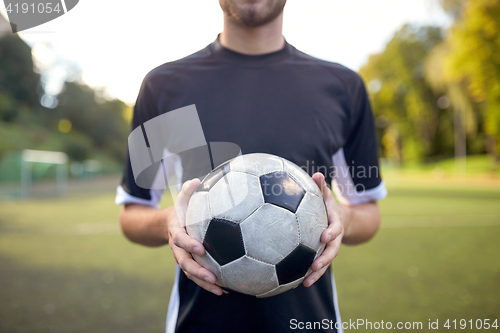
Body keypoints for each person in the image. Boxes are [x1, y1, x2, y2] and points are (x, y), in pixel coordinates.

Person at [116, 0, 387, 332]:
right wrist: (167, 223)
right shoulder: (164, 86)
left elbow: (369, 213)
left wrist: (341, 218)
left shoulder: (343, 87)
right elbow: (132, 214)